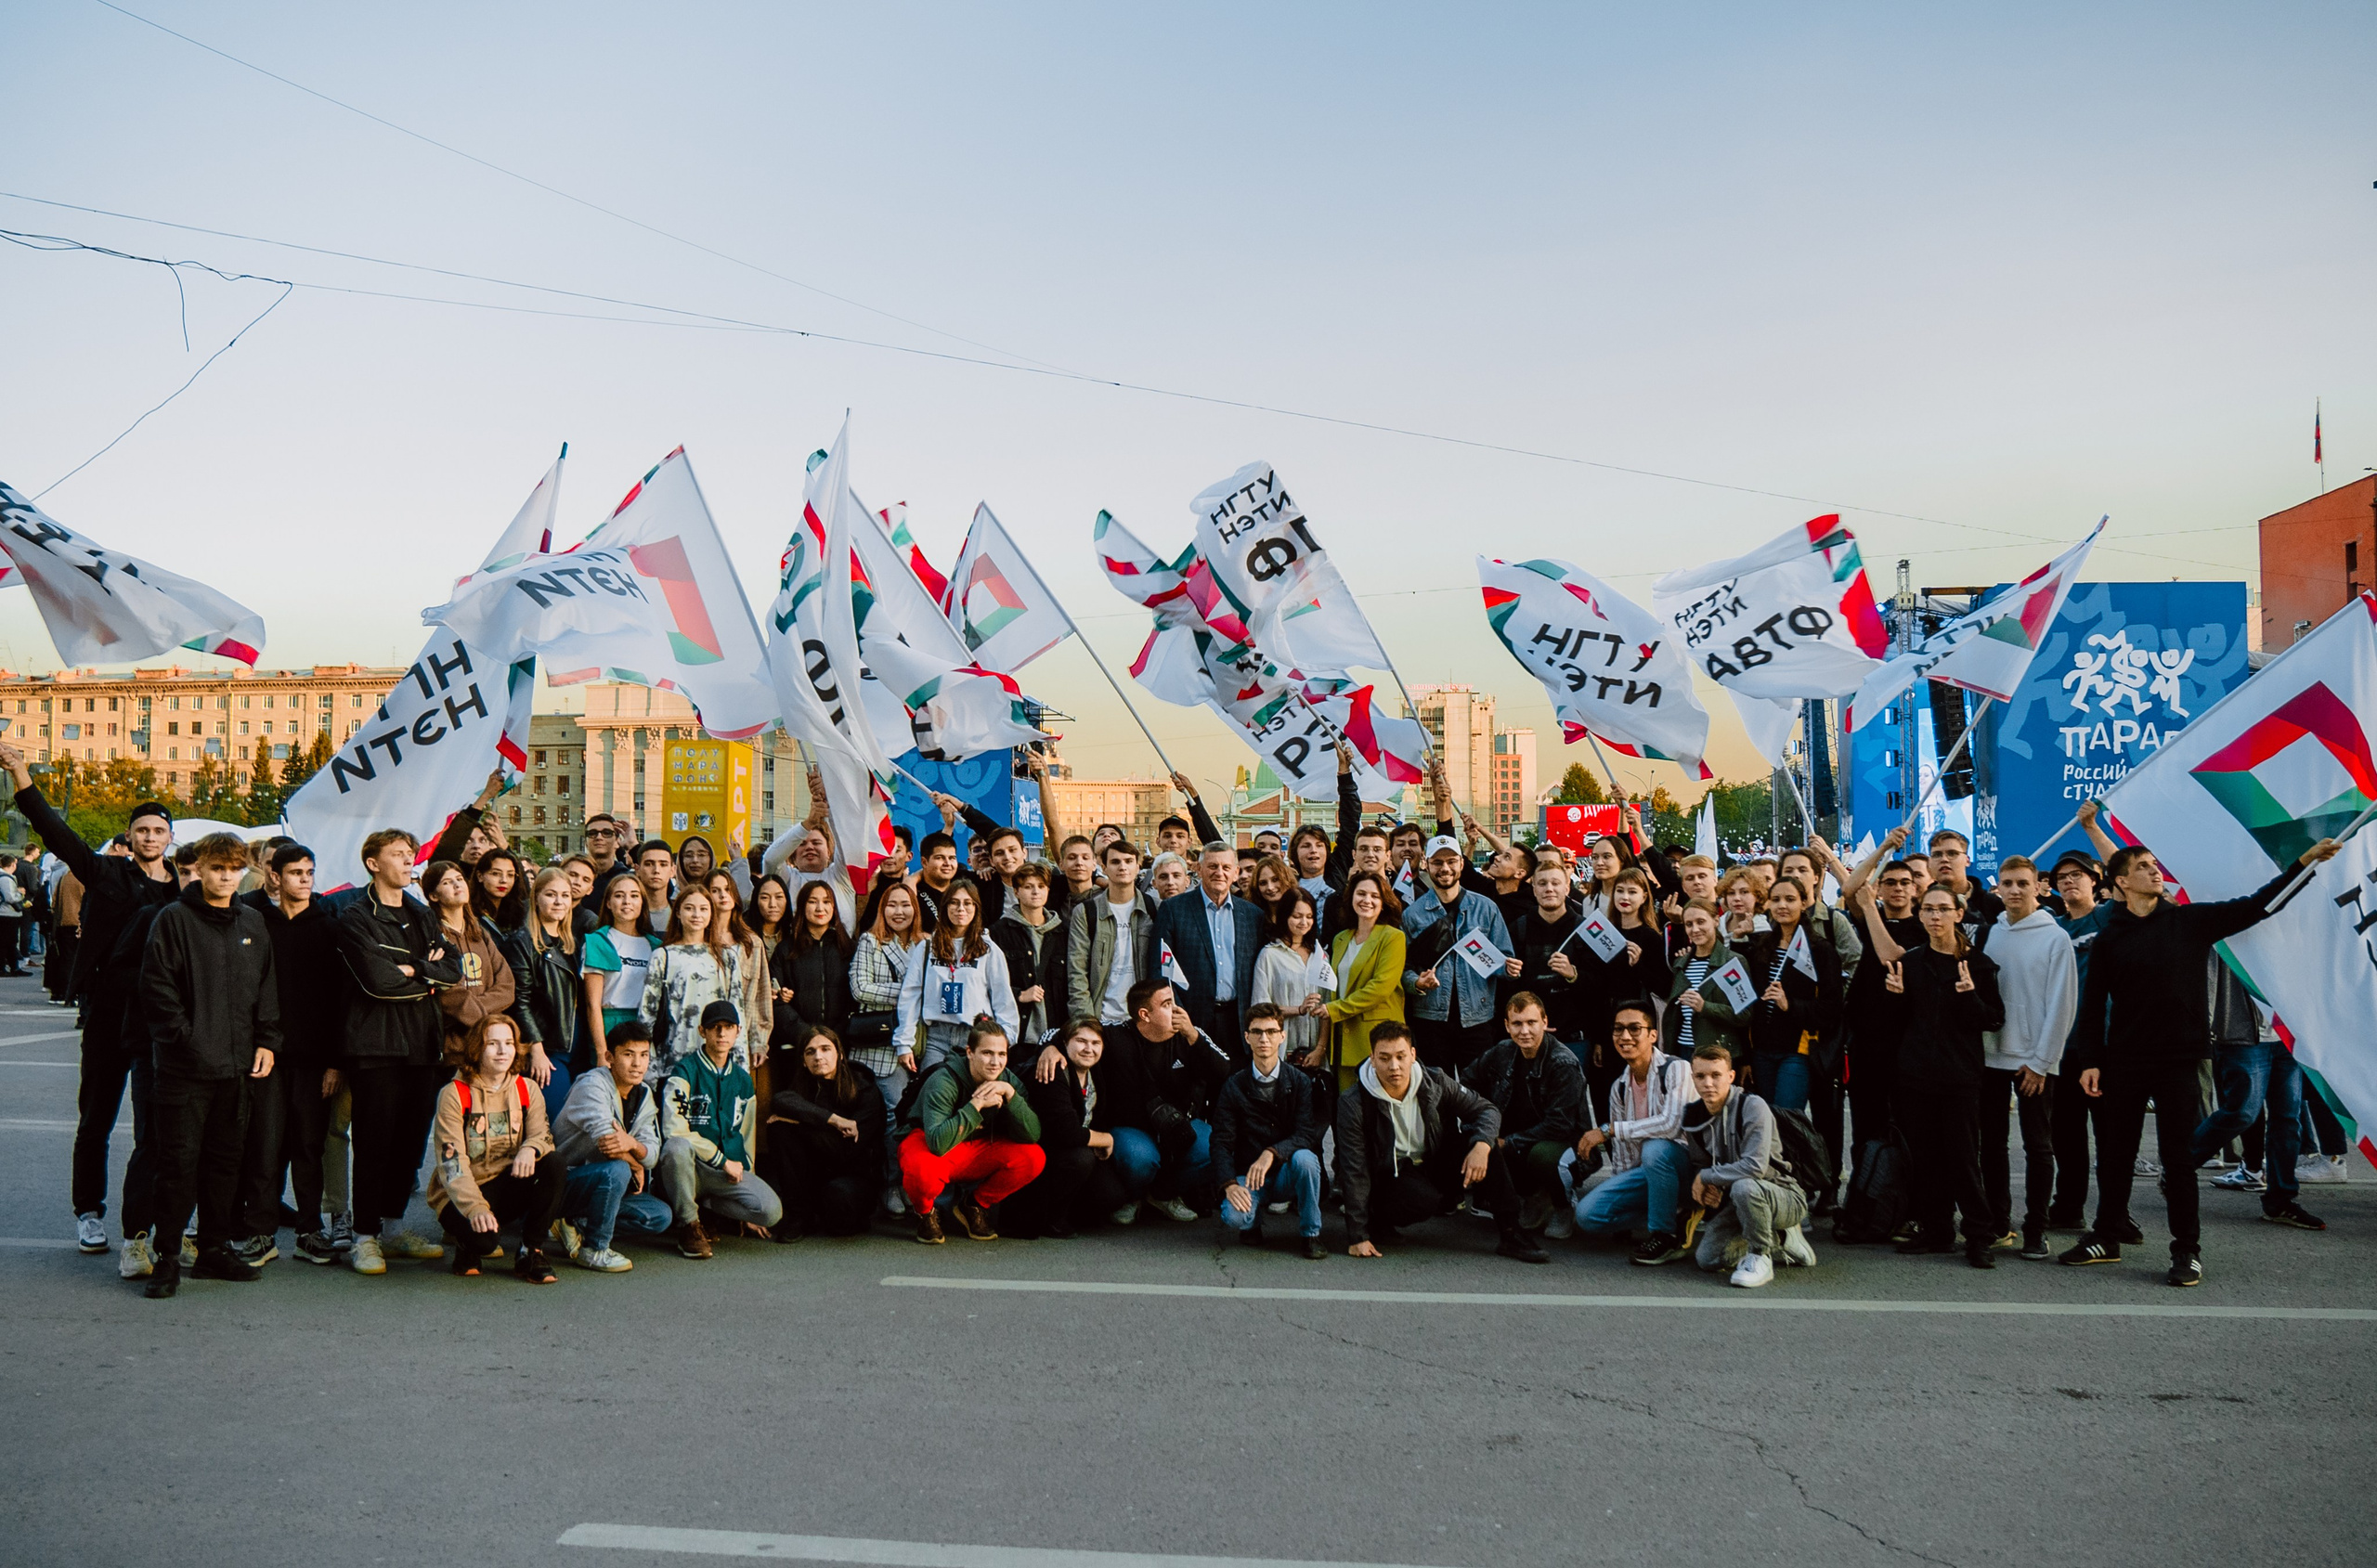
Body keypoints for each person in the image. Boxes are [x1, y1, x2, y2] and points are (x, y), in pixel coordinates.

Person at [2062, 834, 2339, 1285]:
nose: (2155, 870)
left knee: (2177, 1160)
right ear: (2121, 882)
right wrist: (2091, 1060)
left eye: (2155, 864)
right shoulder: (2110, 937)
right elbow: (2092, 1005)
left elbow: (2258, 905)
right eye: (2142, 866)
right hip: (2124, 1062)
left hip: (2179, 1062)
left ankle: (2186, 1251)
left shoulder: (2189, 921)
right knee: (2115, 1156)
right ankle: (2106, 1236)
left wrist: (2304, 862)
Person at [4, 741, 180, 1260]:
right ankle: (89, 1213)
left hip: (159, 1023)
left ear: (170, 837)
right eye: (142, 830)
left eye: (158, 830)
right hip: (107, 1013)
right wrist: (20, 773)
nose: (150, 837)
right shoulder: (106, 872)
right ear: (130, 836)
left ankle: (149, 1221)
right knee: (96, 1119)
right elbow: (53, 831)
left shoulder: (182, 892)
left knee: (156, 1127)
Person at [135, 833, 281, 1298]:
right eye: (218, 868)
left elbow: (266, 988)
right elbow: (157, 989)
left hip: (237, 1069)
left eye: (235, 868)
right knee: (178, 1165)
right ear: (198, 868)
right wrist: (187, 1039)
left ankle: (214, 1249)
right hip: (184, 1070)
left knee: (226, 1163)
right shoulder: (173, 919)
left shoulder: (252, 921)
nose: (227, 877)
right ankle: (167, 1257)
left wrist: (267, 1040)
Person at [1861, 882, 2007, 1267]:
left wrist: (1969, 995)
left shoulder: (1978, 964)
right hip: (1915, 1076)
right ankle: (1937, 1230)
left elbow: (1994, 1019)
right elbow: (1898, 1024)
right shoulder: (1911, 963)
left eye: (1943, 909)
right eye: (1928, 909)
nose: (1935, 916)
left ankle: (1979, 1235)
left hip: (1960, 1078)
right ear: (1920, 914)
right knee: (1925, 1159)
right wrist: (1894, 997)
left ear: (1959, 914)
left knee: (1963, 1160)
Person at [336, 829, 462, 1275]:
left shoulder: (422, 913)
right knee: (374, 1143)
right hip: (377, 1046)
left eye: (410, 854)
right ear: (373, 863)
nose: (410, 861)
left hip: (423, 1044)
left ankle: (392, 1228)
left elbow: (454, 969)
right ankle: (364, 1236)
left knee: (409, 1143)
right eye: (398, 854)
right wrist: (425, 975)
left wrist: (414, 969)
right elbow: (377, 981)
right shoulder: (355, 916)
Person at [1336, 1023, 1545, 1263]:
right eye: (1384, 1058)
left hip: (1431, 1160)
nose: (1394, 1066)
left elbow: (1486, 1110)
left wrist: (1482, 1145)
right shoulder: (1353, 1102)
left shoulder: (1434, 1080)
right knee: (1423, 1200)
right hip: (1389, 1174)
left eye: (1400, 1057)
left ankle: (1511, 1233)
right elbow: (1354, 1169)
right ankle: (1378, 1221)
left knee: (1486, 1148)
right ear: (1372, 1059)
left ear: (1412, 1055)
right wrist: (1358, 1236)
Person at [239, 841, 349, 1266]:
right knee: (264, 1147)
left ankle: (309, 1232)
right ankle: (260, 1233)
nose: (304, 880)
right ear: (275, 877)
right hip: (266, 1056)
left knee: (309, 1146)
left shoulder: (330, 928)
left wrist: (335, 1062)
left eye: (309, 872)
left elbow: (341, 1001)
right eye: (296, 873)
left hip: (315, 1061)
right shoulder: (257, 924)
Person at [1975, 856, 2076, 1259]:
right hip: (1991, 1056)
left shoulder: (2056, 938)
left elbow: (2062, 1005)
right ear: (1997, 888)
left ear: (2037, 887)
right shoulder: (1991, 934)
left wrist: (2042, 1061)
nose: (2014, 890)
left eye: (2022, 883)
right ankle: (1999, 1223)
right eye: (2007, 883)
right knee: (1992, 1145)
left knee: (2038, 1146)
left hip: (2033, 1061)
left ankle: (2036, 1228)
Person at [2190, 954, 2325, 1231]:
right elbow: (2210, 970)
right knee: (2242, 1113)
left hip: (2287, 1034)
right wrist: (2206, 1027)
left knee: (2288, 1120)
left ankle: (2281, 1200)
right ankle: (2178, 1165)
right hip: (2242, 1034)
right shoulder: (2232, 929)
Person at [425, 1015, 561, 1283]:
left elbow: (543, 1136)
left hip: (505, 1183)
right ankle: (466, 1244)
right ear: (477, 1049)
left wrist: (530, 1149)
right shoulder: (454, 1094)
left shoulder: (527, 1088)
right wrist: (475, 1208)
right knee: (485, 1243)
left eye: (509, 1043)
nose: (502, 1051)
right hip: (461, 1194)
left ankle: (530, 1251)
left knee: (554, 1163)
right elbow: (452, 1164)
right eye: (493, 1043)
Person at [1681, 1043, 1815, 1288]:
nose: (1708, 1083)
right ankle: (1782, 1237)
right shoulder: (1693, 1115)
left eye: (1716, 1075)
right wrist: (1712, 1189)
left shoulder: (1752, 1106)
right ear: (1693, 1078)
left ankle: (1760, 1256)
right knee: (1708, 1259)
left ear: (1731, 1076)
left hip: (1783, 1195)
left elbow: (1755, 1167)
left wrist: (1707, 1176)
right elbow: (1702, 1164)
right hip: (1739, 1200)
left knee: (1745, 1186)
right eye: (1700, 1076)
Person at [899, 1022, 1046, 1244]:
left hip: (976, 1146)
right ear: (970, 1052)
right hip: (934, 1143)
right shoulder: (943, 1080)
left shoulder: (1007, 1079)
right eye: (987, 1053)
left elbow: (1033, 1134)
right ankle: (926, 1212)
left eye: (1001, 1054)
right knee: (921, 1170)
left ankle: (974, 1205)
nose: (995, 1062)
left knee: (1032, 1157)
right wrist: (976, 1105)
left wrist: (1011, 1094)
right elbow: (937, 1142)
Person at [1574, 1001, 1696, 1262]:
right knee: (1587, 1216)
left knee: (1655, 1148)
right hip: (1650, 1175)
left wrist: (1609, 1130)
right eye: (1618, 1029)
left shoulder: (1676, 1069)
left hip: (1688, 1173)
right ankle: (1675, 1216)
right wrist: (1620, 1197)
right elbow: (1623, 1155)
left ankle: (1665, 1236)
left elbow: (1670, 1125)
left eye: (1634, 1029)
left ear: (1653, 1035)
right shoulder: (1619, 1087)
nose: (1625, 1036)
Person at [656, 1000, 780, 1257]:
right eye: (715, 1027)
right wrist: (721, 1160)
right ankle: (690, 1224)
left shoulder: (743, 1079)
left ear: (738, 1031)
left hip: (726, 1172)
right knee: (676, 1147)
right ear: (702, 1031)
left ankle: (708, 1207)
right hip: (690, 1168)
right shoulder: (684, 1071)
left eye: (728, 1027)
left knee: (770, 1211)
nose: (722, 1033)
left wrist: (746, 1177)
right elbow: (674, 1130)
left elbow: (746, 1135)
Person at [1461, 991, 1585, 1234]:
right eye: (1517, 1024)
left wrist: (1508, 1142)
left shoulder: (1563, 1063)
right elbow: (1467, 1081)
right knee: (1480, 1142)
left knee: (1542, 1156)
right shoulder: (1502, 1051)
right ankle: (1533, 1197)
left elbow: (1560, 1125)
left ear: (1545, 1022)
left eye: (1531, 1022)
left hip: (1564, 1143)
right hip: (1520, 1135)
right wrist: (1480, 1124)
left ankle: (1563, 1204)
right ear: (1507, 1026)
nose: (1524, 1031)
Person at [551, 1020, 669, 1272]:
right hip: (564, 1182)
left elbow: (652, 1155)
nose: (637, 1064)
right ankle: (595, 1249)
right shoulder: (592, 1084)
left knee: (659, 1216)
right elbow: (608, 1143)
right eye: (628, 1054)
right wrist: (635, 1163)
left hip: (604, 1186)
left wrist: (633, 1145)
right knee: (618, 1169)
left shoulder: (644, 1094)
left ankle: (573, 1223)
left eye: (644, 1055)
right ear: (609, 1057)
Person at [1213, 1004, 1328, 1258]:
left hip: (1287, 1171)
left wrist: (1272, 1153)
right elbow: (1221, 1141)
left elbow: (1306, 1134)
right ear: (1247, 1037)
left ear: (1282, 1036)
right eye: (1257, 1032)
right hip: (1249, 1175)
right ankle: (1251, 1225)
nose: (1264, 1039)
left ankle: (1311, 1234)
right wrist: (1229, 1184)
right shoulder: (1234, 1085)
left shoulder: (1299, 1081)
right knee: (1235, 1217)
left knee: (1307, 1160)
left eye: (1271, 1031)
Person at [1399, 834, 1516, 1076]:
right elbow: (1403, 968)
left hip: (1477, 1019)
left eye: (1451, 861)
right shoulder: (1412, 914)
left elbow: (1504, 958)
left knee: (1479, 1090)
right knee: (1436, 1092)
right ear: (1426, 864)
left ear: (1462, 864)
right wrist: (1416, 983)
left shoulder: (1486, 908)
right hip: (1430, 1019)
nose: (1445, 868)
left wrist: (1510, 968)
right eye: (1437, 862)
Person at [761, 1027, 887, 1239]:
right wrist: (834, 1120)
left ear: (839, 1054)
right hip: (815, 1173)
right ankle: (800, 1215)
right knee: (779, 1129)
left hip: (854, 1176)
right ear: (803, 1061)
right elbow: (780, 1100)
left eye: (825, 1049)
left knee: (838, 1203)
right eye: (810, 1052)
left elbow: (846, 1150)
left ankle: (834, 1214)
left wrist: (801, 1123)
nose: (818, 1057)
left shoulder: (864, 1089)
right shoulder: (803, 1086)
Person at [2045, 841, 2111, 1228]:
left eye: (2077, 875)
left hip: (2105, 1046)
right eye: (2062, 878)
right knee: (2066, 1137)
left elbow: (2124, 873)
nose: (2069, 882)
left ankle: (2115, 1216)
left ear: (2095, 880)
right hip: (2063, 1047)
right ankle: (2069, 1208)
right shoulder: (2051, 927)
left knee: (2111, 1138)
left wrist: (2091, 827)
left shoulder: (2109, 918)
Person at [1012, 1017, 1127, 1238]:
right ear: (1064, 1043)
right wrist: (1106, 1139)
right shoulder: (1053, 1071)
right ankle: (1050, 1219)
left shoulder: (1096, 1070)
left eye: (1096, 1043)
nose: (1089, 1049)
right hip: (1046, 1151)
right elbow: (1066, 1133)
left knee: (1111, 1196)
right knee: (1080, 1159)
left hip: (1075, 1146)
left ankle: (1069, 1213)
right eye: (1081, 1041)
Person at [1152, 841, 1264, 1067]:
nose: (1219, 873)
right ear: (1199, 870)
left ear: (1236, 873)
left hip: (1238, 1021)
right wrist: (1178, 1014)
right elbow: (1160, 968)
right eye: (1212, 866)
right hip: (1191, 1019)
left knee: (1235, 1082)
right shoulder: (1174, 909)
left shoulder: (1253, 915)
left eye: (1226, 867)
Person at [850, 879, 925, 1212]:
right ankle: (889, 1185)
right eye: (892, 905)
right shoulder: (871, 941)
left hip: (915, 1045)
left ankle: (907, 1183)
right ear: (882, 909)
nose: (899, 911)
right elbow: (860, 988)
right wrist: (911, 993)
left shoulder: (926, 943)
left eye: (905, 905)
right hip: (877, 1046)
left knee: (909, 1118)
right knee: (889, 1116)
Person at [896, 880, 1020, 1074]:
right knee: (932, 1089)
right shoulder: (927, 947)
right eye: (954, 902)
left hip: (976, 1036)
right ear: (945, 907)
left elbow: (1002, 997)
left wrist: (1005, 1040)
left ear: (976, 908)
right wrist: (904, 1043)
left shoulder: (988, 950)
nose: (960, 908)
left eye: (967, 903)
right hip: (936, 1038)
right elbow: (910, 995)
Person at [1741, 873, 1838, 1114]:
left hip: (1797, 1049)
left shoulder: (1820, 949)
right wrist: (1738, 939)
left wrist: (1790, 1005)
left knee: (1787, 1119)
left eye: (1790, 899)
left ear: (1804, 903)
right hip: (1761, 1048)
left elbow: (1831, 1007)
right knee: (1765, 1119)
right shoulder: (1762, 946)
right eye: (1776, 900)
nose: (1782, 905)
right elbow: (1744, 994)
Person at [639, 885, 746, 1087]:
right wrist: (648, 1066)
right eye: (689, 908)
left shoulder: (726, 957)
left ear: (711, 914)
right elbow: (647, 1014)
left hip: (718, 1059)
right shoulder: (663, 956)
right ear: (678, 912)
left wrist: (741, 1063)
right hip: (674, 1058)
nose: (697, 915)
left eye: (703, 909)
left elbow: (737, 1010)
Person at [510, 865, 583, 1122]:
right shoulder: (523, 942)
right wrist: (536, 1050)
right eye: (551, 894)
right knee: (555, 1120)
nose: (559, 901)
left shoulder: (571, 942)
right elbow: (520, 1002)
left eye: (565, 895)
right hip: (549, 1048)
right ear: (536, 897)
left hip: (576, 1047)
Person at [1323, 870, 1407, 1091]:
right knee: (1347, 1105)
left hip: (1377, 1040)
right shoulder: (1340, 939)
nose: (1367, 900)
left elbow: (1381, 987)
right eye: (1361, 894)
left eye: (1375, 896)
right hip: (1342, 1039)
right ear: (1351, 897)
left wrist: (1335, 1009)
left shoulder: (1393, 937)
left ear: (1384, 902)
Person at [424, 859, 518, 1050]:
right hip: (454, 1045)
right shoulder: (431, 936)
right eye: (447, 882)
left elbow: (506, 987)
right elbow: (447, 992)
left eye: (459, 879)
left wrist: (481, 1017)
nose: (457, 884)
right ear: (433, 896)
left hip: (489, 1043)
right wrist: (486, 1021)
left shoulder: (480, 933)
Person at [1066, 837, 1154, 1028]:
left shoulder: (1153, 908)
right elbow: (1077, 971)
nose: (1122, 867)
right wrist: (1087, 1022)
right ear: (1104, 868)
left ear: (1138, 867)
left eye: (1128, 861)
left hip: (1142, 1019)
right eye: (1115, 862)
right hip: (1101, 1017)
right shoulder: (1086, 912)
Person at [578, 875, 651, 1072]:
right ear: (609, 903)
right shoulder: (598, 941)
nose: (627, 901)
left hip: (644, 1024)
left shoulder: (654, 946)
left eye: (634, 896)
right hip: (610, 1024)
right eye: (619, 896)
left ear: (642, 902)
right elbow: (592, 1004)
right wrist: (601, 1052)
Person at [1250, 887, 1331, 1064]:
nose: (1304, 922)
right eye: (1297, 916)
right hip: (1281, 1050)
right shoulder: (1269, 955)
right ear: (1285, 916)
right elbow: (1259, 1007)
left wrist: (1320, 1049)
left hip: (1315, 1053)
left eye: (1309, 916)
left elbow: (1328, 1006)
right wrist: (1298, 1009)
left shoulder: (1321, 956)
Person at [705, 872, 777, 1069]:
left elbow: (761, 995)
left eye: (727, 889)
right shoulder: (699, 940)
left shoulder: (751, 942)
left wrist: (759, 1041)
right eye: (715, 890)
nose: (723, 895)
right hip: (704, 1032)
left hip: (739, 1035)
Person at [991, 862, 1069, 1045]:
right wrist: (1018, 994)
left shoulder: (1062, 932)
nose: (1036, 892)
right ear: (1016, 892)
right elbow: (988, 982)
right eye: (1028, 887)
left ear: (1048, 890)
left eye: (1041, 886)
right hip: (1016, 1033)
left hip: (1055, 1033)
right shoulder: (998, 932)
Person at [1663, 901, 1747, 1065]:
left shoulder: (1732, 962)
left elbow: (1745, 1014)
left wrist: (1705, 1007)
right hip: (1682, 1051)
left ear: (1716, 920)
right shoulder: (1681, 963)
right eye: (1689, 924)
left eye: (1701, 922)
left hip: (1716, 1054)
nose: (1695, 929)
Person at [773, 879, 852, 1053]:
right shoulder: (786, 950)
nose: (820, 908)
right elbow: (776, 1000)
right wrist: (808, 1035)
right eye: (812, 902)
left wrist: (834, 1037)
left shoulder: (848, 948)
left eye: (826, 902)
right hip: (798, 1044)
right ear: (802, 906)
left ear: (834, 907)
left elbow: (854, 999)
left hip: (841, 1043)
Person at [1928, 829, 2002, 931]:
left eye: (1952, 853)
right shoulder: (1920, 906)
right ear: (1930, 862)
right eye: (1937, 855)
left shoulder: (1994, 905)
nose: (1944, 859)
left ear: (1967, 860)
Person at [472, 847, 526, 934]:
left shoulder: (520, 912)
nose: (504, 880)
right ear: (480, 876)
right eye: (496, 873)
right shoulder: (470, 912)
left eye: (510, 875)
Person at [632, 840, 678, 937]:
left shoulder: (681, 913)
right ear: (637, 870)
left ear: (672, 870)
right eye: (649, 864)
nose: (656, 870)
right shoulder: (627, 912)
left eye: (663, 864)